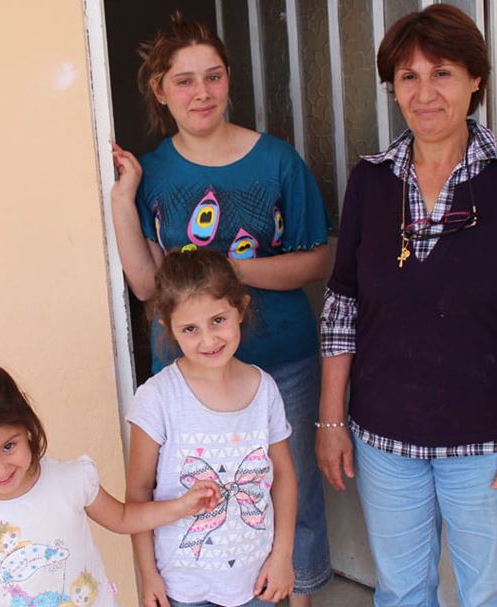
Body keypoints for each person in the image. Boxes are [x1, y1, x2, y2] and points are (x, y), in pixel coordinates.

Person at [315, 5, 497, 606]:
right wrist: (332, 421)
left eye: (442, 73)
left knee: (489, 594)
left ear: (475, 81)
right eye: (408, 77)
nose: (425, 93)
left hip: (489, 446)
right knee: (402, 591)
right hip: (384, 443)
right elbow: (343, 310)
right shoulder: (372, 180)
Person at [111, 14, 332, 604]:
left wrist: (221, 275)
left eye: (212, 76)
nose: (200, 92)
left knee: (292, 482)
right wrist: (122, 200)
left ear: (230, 79)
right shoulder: (154, 172)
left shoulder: (278, 162)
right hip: (185, 370)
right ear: (159, 91)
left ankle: (296, 591)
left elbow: (319, 260)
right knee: (192, 488)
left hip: (281, 358)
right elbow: (144, 284)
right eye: (183, 81)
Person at [0, 348, 220, 607]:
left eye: (9, 446)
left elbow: (125, 517)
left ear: (26, 427)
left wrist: (182, 506)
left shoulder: (72, 480)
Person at [126, 248, 298, 607]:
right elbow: (138, 493)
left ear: (241, 308)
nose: (208, 340)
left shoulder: (264, 388)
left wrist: (282, 556)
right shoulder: (157, 397)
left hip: (256, 578)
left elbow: (283, 476)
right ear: (166, 325)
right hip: (182, 584)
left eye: (218, 320)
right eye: (190, 329)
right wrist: (148, 575)